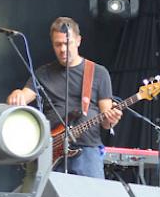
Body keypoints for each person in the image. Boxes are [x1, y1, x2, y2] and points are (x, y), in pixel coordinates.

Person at [7, 16, 122, 178]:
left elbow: (106, 121)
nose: (62, 49)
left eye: (67, 44)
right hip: (51, 150)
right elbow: (22, 97)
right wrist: (16, 94)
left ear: (78, 41)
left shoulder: (98, 72)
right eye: (58, 44)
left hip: (87, 151)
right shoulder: (43, 73)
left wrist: (112, 118)